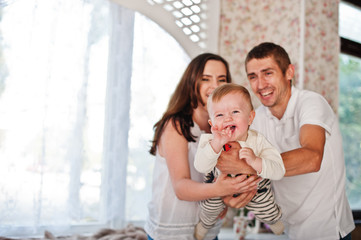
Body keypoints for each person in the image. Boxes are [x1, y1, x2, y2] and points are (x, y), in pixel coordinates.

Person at [217, 42, 355, 240]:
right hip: (293, 232)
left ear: (289, 72)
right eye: (253, 76)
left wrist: (252, 166)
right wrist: (234, 193)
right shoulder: (257, 119)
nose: (260, 84)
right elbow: (246, 172)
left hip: (330, 231)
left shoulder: (311, 102)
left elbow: (312, 158)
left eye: (268, 73)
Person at [144, 53, 260, 240]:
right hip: (171, 233)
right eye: (206, 79)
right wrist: (220, 190)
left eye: (221, 79)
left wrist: (229, 197)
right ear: (192, 83)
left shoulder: (226, 130)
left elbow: (218, 183)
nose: (215, 86)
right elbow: (181, 188)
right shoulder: (176, 126)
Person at [193, 83, 285, 240]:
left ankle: (275, 220)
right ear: (212, 124)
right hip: (218, 186)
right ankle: (204, 225)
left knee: (266, 205)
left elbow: (279, 170)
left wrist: (256, 161)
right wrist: (216, 144)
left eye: (235, 112)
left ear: (250, 117)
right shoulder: (209, 141)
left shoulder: (258, 141)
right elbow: (200, 166)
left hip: (252, 188)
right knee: (209, 207)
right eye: (220, 115)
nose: (228, 118)